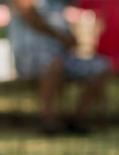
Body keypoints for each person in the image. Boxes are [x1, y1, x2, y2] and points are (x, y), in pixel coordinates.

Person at [9, 0, 110, 135]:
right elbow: (29, 15)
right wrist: (61, 37)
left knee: (100, 67)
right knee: (54, 65)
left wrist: (71, 37)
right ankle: (48, 121)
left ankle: (77, 118)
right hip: (30, 57)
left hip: (62, 55)